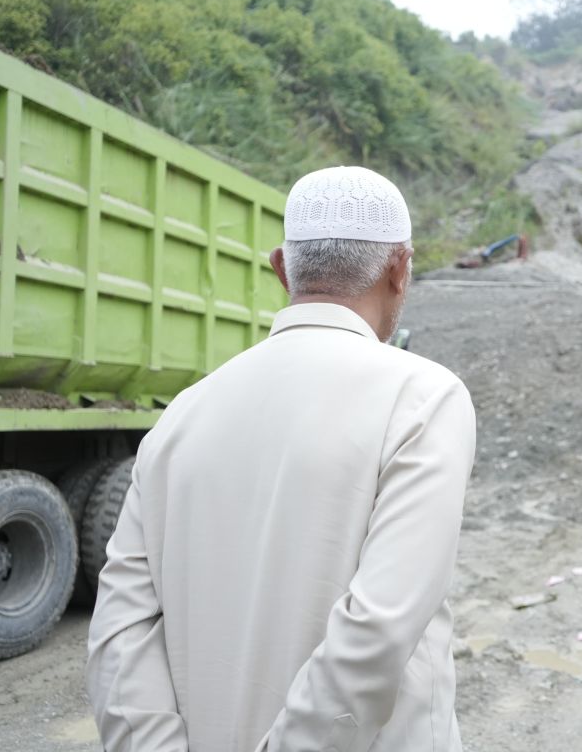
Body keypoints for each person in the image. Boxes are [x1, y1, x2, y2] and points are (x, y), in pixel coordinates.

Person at [86, 166, 476, 752]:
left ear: (280, 268)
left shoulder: (180, 417)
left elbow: (120, 635)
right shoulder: (422, 399)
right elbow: (379, 629)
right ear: (400, 268)